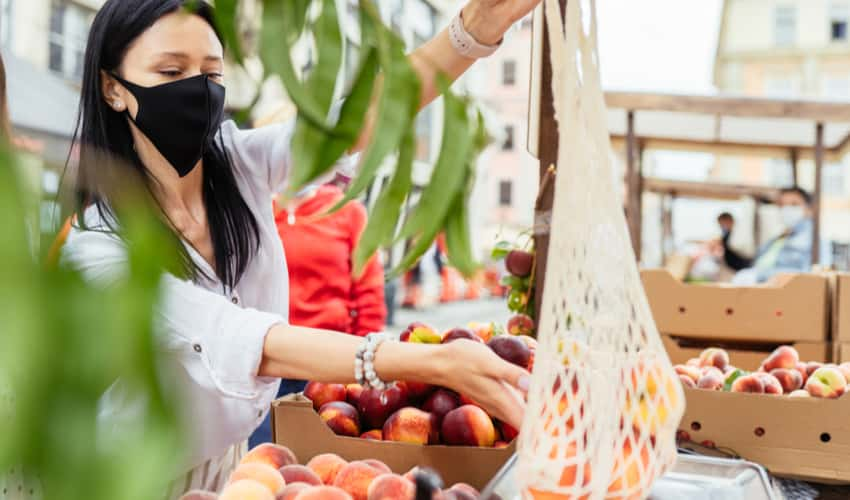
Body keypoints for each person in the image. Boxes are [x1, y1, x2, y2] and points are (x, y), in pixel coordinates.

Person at [59, 0, 538, 496]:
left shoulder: (238, 165)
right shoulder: (99, 247)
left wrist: (470, 34)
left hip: (232, 461)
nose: (197, 87)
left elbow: (362, 122)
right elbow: (248, 340)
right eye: (171, 70)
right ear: (113, 88)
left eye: (211, 71)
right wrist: (434, 363)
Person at [249, 182, 387, 447]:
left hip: (330, 367)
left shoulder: (348, 212)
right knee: (265, 461)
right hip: (269, 365)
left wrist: (363, 363)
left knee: (323, 458)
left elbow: (369, 293)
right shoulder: (257, 209)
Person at [733, 187, 828, 284]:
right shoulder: (780, 237)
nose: (787, 209)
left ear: (809, 209)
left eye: (794, 204)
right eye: (782, 205)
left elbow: (814, 276)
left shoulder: (814, 239)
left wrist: (759, 276)